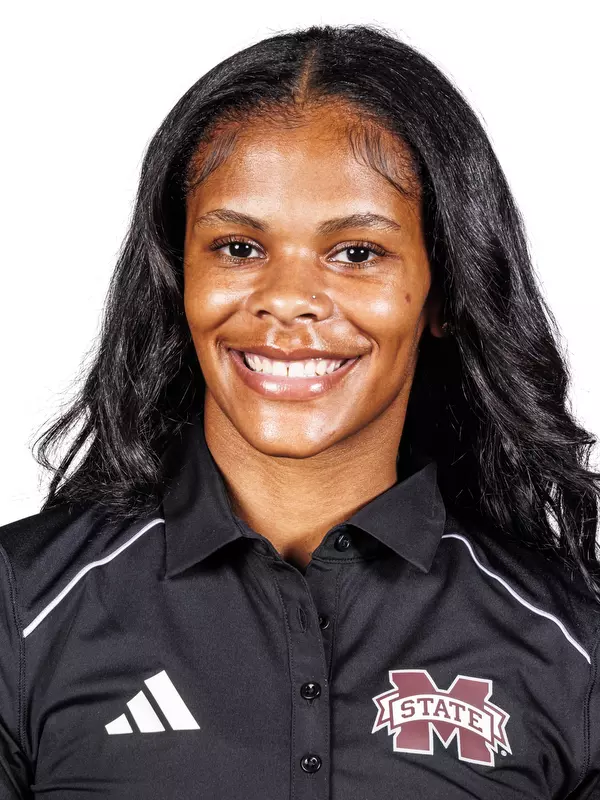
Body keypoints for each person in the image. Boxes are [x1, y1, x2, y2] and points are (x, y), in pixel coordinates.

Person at [1, 22, 599, 800]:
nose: (287, 300)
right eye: (238, 248)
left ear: (446, 292)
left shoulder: (576, 639)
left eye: (356, 253)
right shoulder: (22, 607)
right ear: (177, 276)